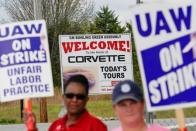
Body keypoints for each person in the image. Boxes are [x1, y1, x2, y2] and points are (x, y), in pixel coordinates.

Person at [24, 74, 107, 131]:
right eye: (70, 95)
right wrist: (33, 128)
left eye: (80, 96)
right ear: (63, 98)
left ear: (87, 99)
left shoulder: (97, 127)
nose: (74, 100)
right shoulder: (55, 126)